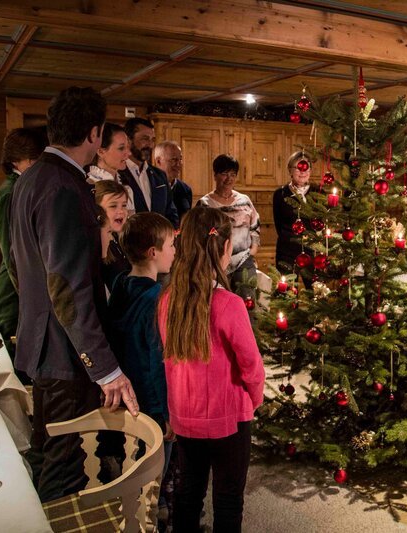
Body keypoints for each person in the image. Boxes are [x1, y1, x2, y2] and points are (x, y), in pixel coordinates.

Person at [9, 86, 138, 502]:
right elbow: (65, 286)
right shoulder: (63, 186)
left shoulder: (33, 177)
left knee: (49, 454)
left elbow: (18, 264)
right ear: (95, 134)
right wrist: (105, 368)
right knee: (63, 471)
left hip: (46, 340)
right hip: (64, 353)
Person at [158, 206, 264, 532]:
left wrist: (173, 413)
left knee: (188, 494)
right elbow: (252, 366)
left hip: (186, 417)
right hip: (230, 418)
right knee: (229, 498)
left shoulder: (167, 300)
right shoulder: (228, 304)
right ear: (226, 248)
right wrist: (255, 400)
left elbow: (171, 362)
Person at [108, 212, 176, 480]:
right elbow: (157, 360)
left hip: (124, 389)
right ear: (152, 252)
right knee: (154, 468)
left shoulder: (121, 282)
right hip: (151, 400)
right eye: (170, 245)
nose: (174, 251)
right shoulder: (157, 299)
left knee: (134, 459)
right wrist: (167, 412)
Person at [0, 127, 47, 368]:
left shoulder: (25, 186)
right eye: (33, 161)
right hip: (14, 297)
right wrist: (31, 303)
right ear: (16, 160)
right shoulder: (10, 193)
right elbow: (13, 256)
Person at [197, 155, 260, 301]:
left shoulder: (244, 200)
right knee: (219, 303)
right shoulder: (205, 204)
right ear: (215, 175)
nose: (229, 179)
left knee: (248, 303)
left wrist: (252, 251)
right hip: (215, 263)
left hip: (244, 260)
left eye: (233, 174)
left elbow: (255, 227)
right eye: (224, 174)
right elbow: (199, 234)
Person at [118, 117, 179, 227]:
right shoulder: (118, 174)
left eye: (153, 140)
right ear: (129, 140)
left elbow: (171, 214)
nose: (150, 145)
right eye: (145, 139)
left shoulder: (159, 176)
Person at [273, 151, 313, 277]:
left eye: (306, 168)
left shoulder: (318, 193)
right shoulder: (280, 194)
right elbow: (278, 224)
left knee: (316, 290)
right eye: (298, 168)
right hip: (286, 251)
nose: (303, 172)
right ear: (290, 170)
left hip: (312, 250)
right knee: (287, 292)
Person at [87, 122, 135, 217]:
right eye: (121, 148)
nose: (129, 153)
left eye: (128, 147)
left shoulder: (127, 186)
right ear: (100, 151)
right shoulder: (90, 185)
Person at [94, 180, 131, 292]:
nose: (121, 211)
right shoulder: (99, 245)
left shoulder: (120, 238)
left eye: (124, 205)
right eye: (113, 206)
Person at [154, 140, 192, 220]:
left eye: (180, 159)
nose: (178, 164)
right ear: (158, 161)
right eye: (174, 160)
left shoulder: (185, 189)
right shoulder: (150, 185)